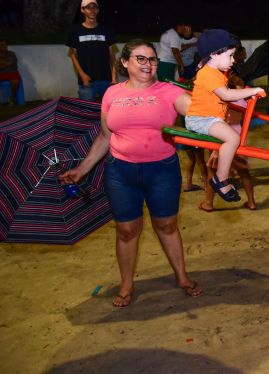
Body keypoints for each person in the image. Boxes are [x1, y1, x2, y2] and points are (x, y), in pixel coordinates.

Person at [59, 40, 201, 307]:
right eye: (141, 59)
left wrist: (213, 106)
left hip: (162, 171)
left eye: (152, 59)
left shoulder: (169, 91)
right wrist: (82, 169)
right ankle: (126, 284)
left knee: (167, 225)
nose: (148, 65)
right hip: (120, 172)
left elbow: (196, 111)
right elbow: (105, 136)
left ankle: (182, 276)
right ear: (125, 62)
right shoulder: (112, 94)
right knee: (126, 230)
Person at [185, 29, 265, 201]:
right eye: (230, 56)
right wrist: (253, 90)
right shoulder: (208, 73)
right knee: (233, 139)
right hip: (201, 119)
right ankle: (220, 179)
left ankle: (221, 177)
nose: (233, 60)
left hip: (208, 118)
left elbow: (225, 94)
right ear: (214, 54)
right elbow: (226, 95)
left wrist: (245, 93)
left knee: (231, 138)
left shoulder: (213, 73)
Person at [199, 75, 256, 211]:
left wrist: (216, 150)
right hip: (239, 140)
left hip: (224, 141)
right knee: (244, 172)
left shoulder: (224, 102)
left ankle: (208, 203)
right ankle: (251, 202)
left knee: (212, 173)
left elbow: (221, 125)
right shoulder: (243, 101)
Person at [66, 0, 117, 101]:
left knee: (111, 112)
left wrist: (114, 75)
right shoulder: (75, 31)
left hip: (106, 79)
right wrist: (82, 75)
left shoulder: (106, 30)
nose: (92, 10)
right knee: (86, 113)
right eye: (88, 7)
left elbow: (112, 55)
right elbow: (72, 55)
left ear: (98, 10)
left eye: (94, 7)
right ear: (82, 10)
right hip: (87, 80)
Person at [0, 39, 21, 106]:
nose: (5, 46)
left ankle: (12, 98)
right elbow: (7, 64)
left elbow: (10, 63)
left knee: (15, 81)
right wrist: (6, 63)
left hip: (12, 72)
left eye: (6, 45)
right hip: (1, 73)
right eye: (2, 45)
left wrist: (2, 62)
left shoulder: (11, 54)